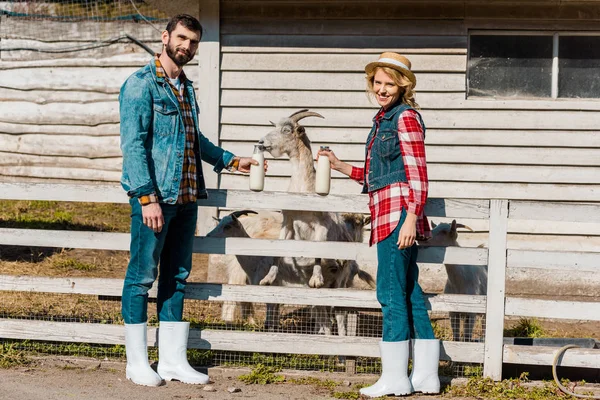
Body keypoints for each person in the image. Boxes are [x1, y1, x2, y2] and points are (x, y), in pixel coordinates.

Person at [119, 14, 266, 387]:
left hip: (186, 199)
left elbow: (192, 140)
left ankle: (171, 361)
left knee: (178, 277)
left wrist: (230, 160)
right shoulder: (140, 85)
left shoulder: (185, 87)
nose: (186, 46)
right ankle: (137, 363)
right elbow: (133, 146)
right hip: (155, 199)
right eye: (181, 38)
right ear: (165, 37)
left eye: (193, 42)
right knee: (140, 278)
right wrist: (146, 197)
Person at [318, 52, 439, 397]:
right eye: (378, 83)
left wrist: (412, 217)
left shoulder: (405, 118)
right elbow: (379, 176)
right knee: (408, 291)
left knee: (388, 292)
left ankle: (395, 378)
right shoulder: (383, 119)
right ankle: (426, 376)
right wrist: (341, 166)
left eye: (389, 83)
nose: (382, 89)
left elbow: (417, 172)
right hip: (391, 211)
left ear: (402, 85)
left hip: (400, 215)